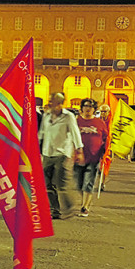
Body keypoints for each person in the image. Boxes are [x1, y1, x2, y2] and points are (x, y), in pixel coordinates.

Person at [40, 92, 83, 220]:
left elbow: (75, 134)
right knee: (47, 183)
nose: (49, 103)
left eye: (52, 101)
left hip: (62, 153)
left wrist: (79, 151)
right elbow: (41, 133)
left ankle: (69, 205)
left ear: (59, 103)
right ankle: (55, 209)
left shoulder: (68, 116)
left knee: (60, 182)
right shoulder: (46, 116)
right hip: (48, 152)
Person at [75, 98, 107, 216]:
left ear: (94, 109)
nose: (88, 108)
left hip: (94, 157)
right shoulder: (76, 121)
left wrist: (107, 152)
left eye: (91, 106)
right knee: (79, 184)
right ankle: (84, 201)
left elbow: (106, 138)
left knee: (88, 183)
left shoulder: (100, 123)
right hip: (78, 157)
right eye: (86, 106)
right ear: (82, 108)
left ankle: (85, 207)